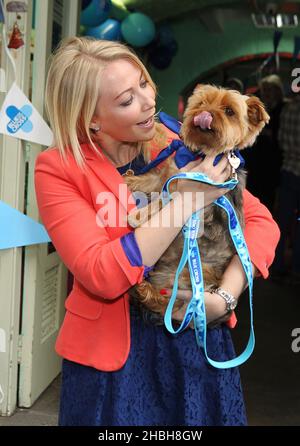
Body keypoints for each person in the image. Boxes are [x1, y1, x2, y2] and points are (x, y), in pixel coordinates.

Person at [34, 36, 280, 426]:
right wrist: (185, 202)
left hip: (196, 338)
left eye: (144, 84)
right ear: (91, 117)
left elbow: (262, 224)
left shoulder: (179, 140)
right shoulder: (60, 170)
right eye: (127, 100)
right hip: (113, 356)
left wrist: (226, 296)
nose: (149, 102)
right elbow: (101, 274)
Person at [243, 74, 287, 213]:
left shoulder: (284, 109)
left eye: (270, 89)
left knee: (268, 200)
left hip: (273, 165)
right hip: (255, 165)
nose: (266, 93)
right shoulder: (259, 110)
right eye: (264, 89)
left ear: (277, 91)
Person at [271, 93, 300, 284]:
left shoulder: (288, 110)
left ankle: (277, 265)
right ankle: (297, 268)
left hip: (288, 170)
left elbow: (280, 140)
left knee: (282, 221)